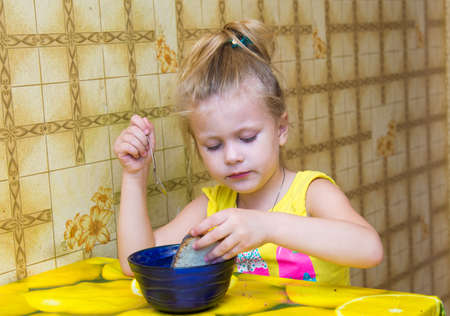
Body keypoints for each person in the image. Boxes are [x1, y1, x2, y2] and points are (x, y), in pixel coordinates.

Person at [113, 20, 383, 285]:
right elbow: (134, 261)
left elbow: (369, 249)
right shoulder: (213, 207)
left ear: (280, 129)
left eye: (247, 138)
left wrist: (268, 227)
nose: (232, 156)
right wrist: (135, 176)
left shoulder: (311, 193)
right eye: (214, 146)